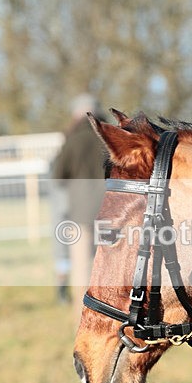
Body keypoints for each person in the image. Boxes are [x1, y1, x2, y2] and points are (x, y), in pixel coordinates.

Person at [50, 94, 107, 315]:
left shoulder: (72, 140)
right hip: (111, 214)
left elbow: (58, 176)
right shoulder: (109, 138)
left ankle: (82, 317)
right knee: (109, 269)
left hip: (80, 215)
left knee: (82, 269)